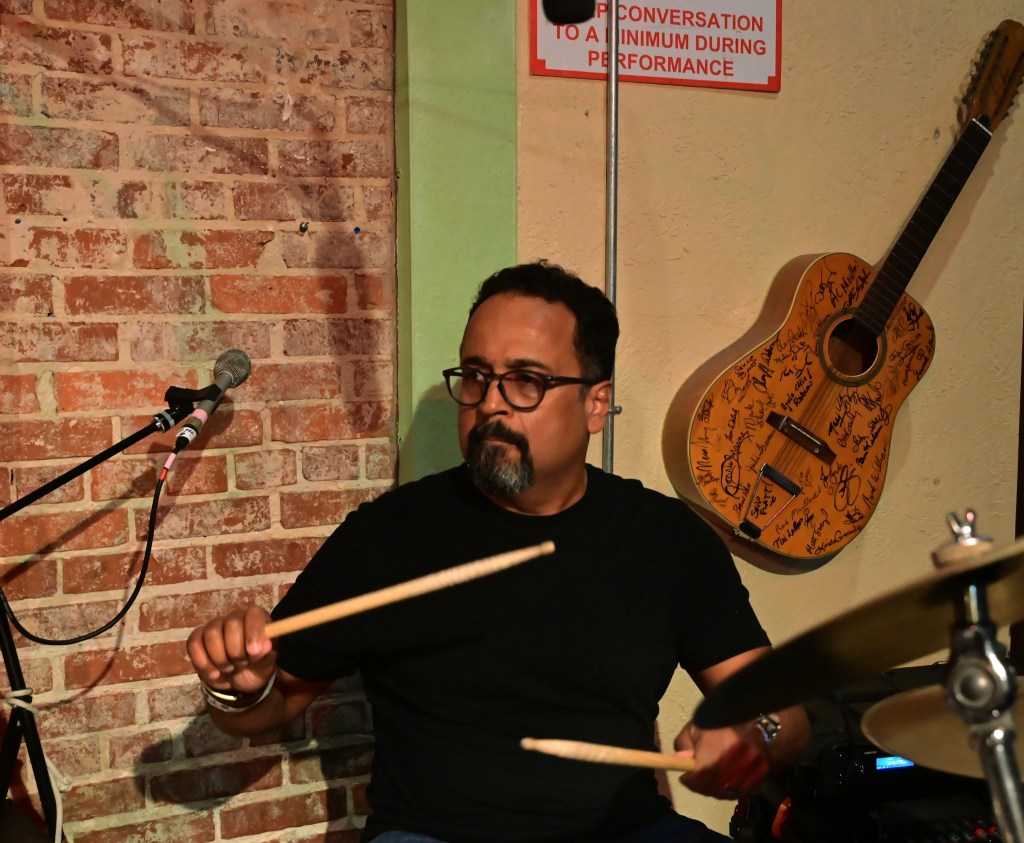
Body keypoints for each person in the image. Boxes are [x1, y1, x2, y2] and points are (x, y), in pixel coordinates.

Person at [186, 261, 810, 842]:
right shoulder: (390, 535)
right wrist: (238, 691)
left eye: (526, 382)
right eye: (477, 375)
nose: (488, 403)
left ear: (596, 404)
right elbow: (267, 707)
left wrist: (754, 733)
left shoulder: (666, 538)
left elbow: (785, 714)